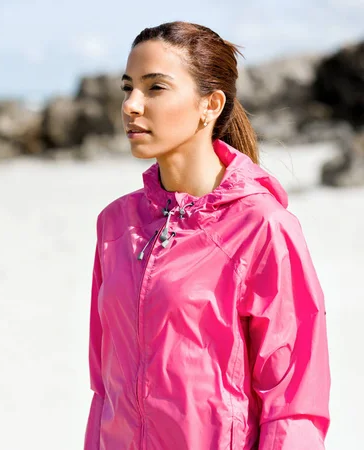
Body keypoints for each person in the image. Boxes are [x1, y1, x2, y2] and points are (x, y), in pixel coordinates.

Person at [83, 21, 331, 450]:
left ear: (210, 104)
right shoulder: (114, 226)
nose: (131, 105)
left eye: (155, 88)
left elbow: (293, 405)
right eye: (127, 88)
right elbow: (105, 390)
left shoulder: (262, 227)